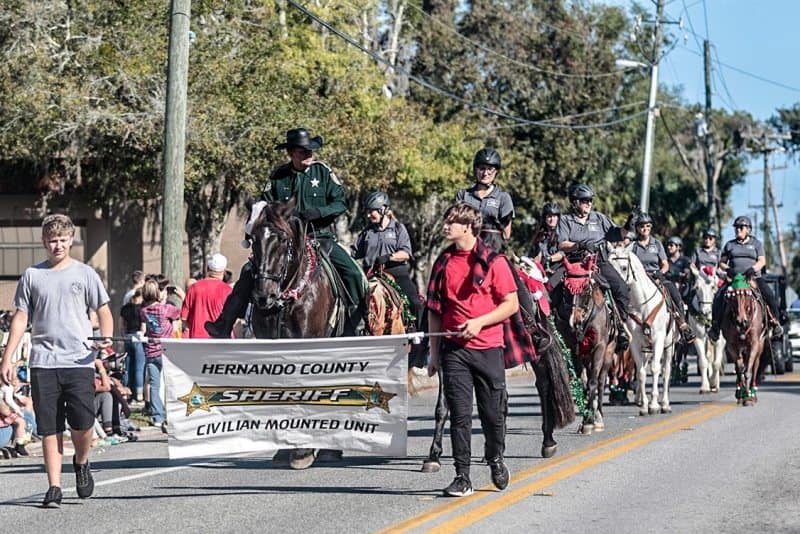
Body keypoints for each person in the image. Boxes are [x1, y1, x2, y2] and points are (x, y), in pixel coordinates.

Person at [206, 127, 368, 337]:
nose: (309, 155)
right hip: (284, 241)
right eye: (303, 151)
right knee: (248, 271)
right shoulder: (278, 177)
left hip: (320, 238)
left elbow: (340, 203)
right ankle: (223, 324)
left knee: (353, 272)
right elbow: (261, 207)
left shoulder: (323, 172)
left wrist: (318, 212)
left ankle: (360, 322)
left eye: (310, 151)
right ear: (291, 153)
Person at [0, 214, 113, 507]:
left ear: (71, 240)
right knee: (49, 426)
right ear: (44, 242)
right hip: (43, 361)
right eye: (52, 240)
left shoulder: (85, 273)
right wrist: (7, 357)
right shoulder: (32, 275)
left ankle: (82, 461)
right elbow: (20, 317)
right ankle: (54, 486)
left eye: (63, 240)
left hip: (78, 360)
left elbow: (103, 311)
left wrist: (105, 340)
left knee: (83, 423)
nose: (58, 245)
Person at [426, 202, 513, 498]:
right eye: (446, 221)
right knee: (459, 416)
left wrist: (480, 323)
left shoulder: (494, 262)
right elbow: (435, 310)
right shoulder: (443, 262)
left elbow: (510, 304)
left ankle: (495, 458)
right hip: (455, 352)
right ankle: (462, 476)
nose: (445, 226)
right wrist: (435, 354)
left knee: (492, 415)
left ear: (468, 226)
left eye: (451, 222)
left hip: (488, 349)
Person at [556, 183, 630, 346]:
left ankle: (621, 327)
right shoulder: (566, 220)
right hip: (575, 263)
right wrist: (579, 245)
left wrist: (629, 224)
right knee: (551, 291)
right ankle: (553, 330)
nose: (589, 203)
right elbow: (561, 244)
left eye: (590, 200)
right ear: (575, 202)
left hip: (599, 261)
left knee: (622, 289)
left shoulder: (599, 218)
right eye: (584, 200)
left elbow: (618, 234)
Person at [352, 191, 424, 333]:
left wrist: (389, 257)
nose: (368, 215)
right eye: (367, 212)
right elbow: (353, 253)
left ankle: (421, 337)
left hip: (396, 273)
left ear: (383, 209)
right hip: (372, 275)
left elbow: (406, 253)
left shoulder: (398, 228)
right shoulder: (366, 233)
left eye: (371, 212)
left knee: (416, 303)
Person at [709, 216, 783, 340]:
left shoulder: (756, 244)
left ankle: (775, 322)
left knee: (770, 295)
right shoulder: (729, 245)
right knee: (718, 296)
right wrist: (728, 269)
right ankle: (715, 326)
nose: (738, 230)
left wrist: (753, 269)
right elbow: (721, 263)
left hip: (753, 278)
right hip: (735, 280)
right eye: (736, 227)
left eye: (741, 227)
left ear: (748, 229)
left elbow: (762, 261)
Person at [631, 214, 696, 343]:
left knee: (675, 294)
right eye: (642, 226)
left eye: (648, 226)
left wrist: (660, 273)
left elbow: (665, 264)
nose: (645, 229)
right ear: (637, 228)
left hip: (656, 277)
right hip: (638, 279)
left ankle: (683, 325)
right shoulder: (633, 245)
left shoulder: (657, 244)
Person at [455, 148, 514, 252]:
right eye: (482, 168)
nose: (485, 173)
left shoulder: (503, 198)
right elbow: (456, 225)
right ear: (475, 169)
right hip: (466, 248)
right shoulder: (463, 195)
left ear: (496, 172)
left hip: (493, 249)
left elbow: (506, 234)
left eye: (490, 169)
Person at [139, 279, 179, 432]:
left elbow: (143, 330)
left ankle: (158, 416)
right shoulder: (166, 309)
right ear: (157, 293)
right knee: (170, 384)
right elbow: (178, 314)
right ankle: (173, 414)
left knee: (154, 385)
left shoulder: (143, 311)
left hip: (151, 350)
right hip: (167, 350)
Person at [181, 254, 232, 338]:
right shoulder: (228, 291)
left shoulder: (194, 288)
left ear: (208, 268)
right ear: (224, 270)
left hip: (197, 340)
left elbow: (184, 319)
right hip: (220, 341)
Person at [529, 202, 564, 284]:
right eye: (549, 216)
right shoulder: (540, 235)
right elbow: (532, 254)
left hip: (558, 269)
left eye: (555, 216)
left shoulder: (562, 234)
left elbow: (563, 253)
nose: (552, 219)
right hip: (541, 270)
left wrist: (548, 259)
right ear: (545, 218)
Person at [119, 288, 144, 403]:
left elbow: (122, 325)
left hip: (127, 337)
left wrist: (124, 336)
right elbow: (143, 327)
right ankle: (139, 394)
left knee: (127, 367)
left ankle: (127, 393)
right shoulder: (142, 309)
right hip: (138, 338)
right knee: (139, 367)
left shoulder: (125, 308)